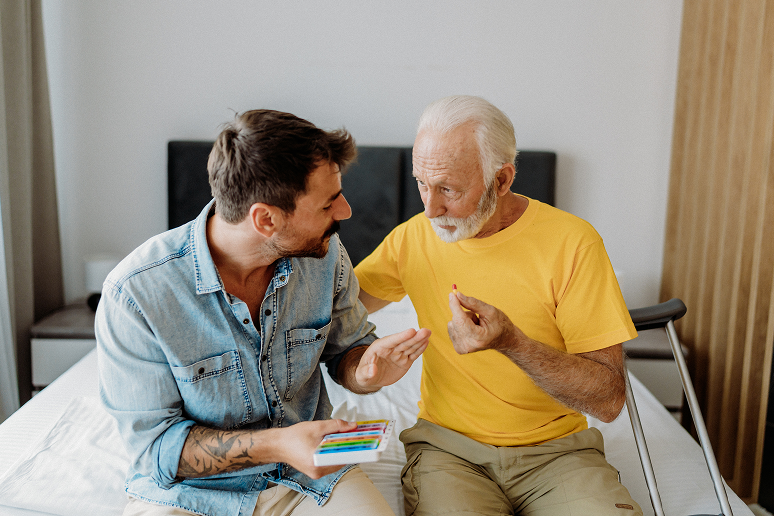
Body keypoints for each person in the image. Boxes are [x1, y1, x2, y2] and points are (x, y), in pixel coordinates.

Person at [96, 109, 430, 516]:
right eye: (328, 204)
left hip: (308, 478)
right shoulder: (136, 295)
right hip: (192, 493)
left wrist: (365, 371)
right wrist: (277, 444)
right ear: (266, 219)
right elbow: (155, 450)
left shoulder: (325, 258)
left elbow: (348, 350)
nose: (345, 212)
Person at [354, 95, 643, 516]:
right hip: (448, 452)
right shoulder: (411, 239)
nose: (430, 208)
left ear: (502, 179)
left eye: (448, 189)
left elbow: (609, 399)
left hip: (557, 454)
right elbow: (328, 311)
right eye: (421, 183)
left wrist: (514, 343)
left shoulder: (573, 244)